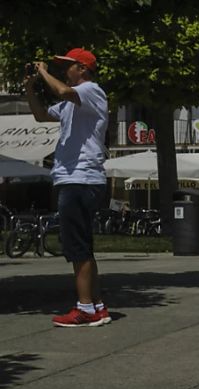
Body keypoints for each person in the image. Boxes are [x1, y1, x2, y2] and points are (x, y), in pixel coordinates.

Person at [25, 48, 111, 327]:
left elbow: (62, 91)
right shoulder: (73, 103)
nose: (64, 71)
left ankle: (85, 308)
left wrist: (43, 72)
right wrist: (30, 87)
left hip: (80, 178)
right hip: (76, 178)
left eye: (68, 66)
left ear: (82, 69)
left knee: (76, 247)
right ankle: (97, 306)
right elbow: (40, 115)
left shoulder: (91, 90)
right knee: (82, 245)